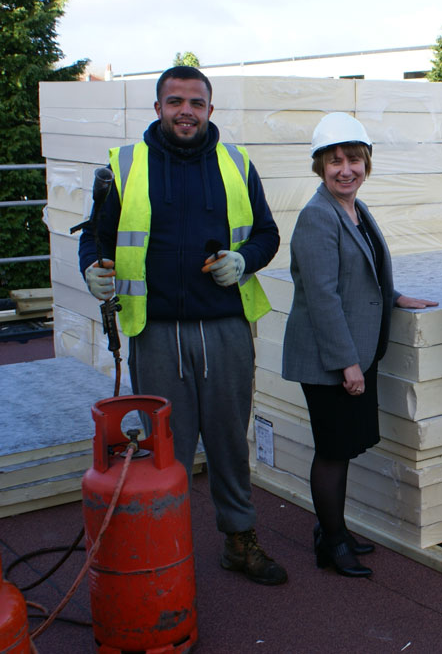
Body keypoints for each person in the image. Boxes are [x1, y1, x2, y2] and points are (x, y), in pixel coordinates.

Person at [79, 66, 286, 585]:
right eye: (175, 102)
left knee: (228, 443)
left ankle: (239, 541)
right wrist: (91, 271)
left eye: (196, 102)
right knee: (163, 449)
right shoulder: (125, 166)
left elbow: (266, 233)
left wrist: (245, 260)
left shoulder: (236, 163)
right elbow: (96, 239)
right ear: (158, 109)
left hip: (225, 326)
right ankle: (165, 548)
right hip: (155, 330)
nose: (185, 111)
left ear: (210, 110)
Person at [281, 113, 437, 578]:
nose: (345, 169)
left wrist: (393, 297)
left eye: (353, 159)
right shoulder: (317, 216)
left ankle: (335, 529)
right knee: (332, 450)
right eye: (334, 162)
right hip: (331, 357)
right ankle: (331, 543)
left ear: (366, 163)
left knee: (343, 448)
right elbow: (323, 296)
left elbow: (358, 273)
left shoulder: (353, 207)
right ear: (320, 167)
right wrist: (348, 364)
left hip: (354, 350)